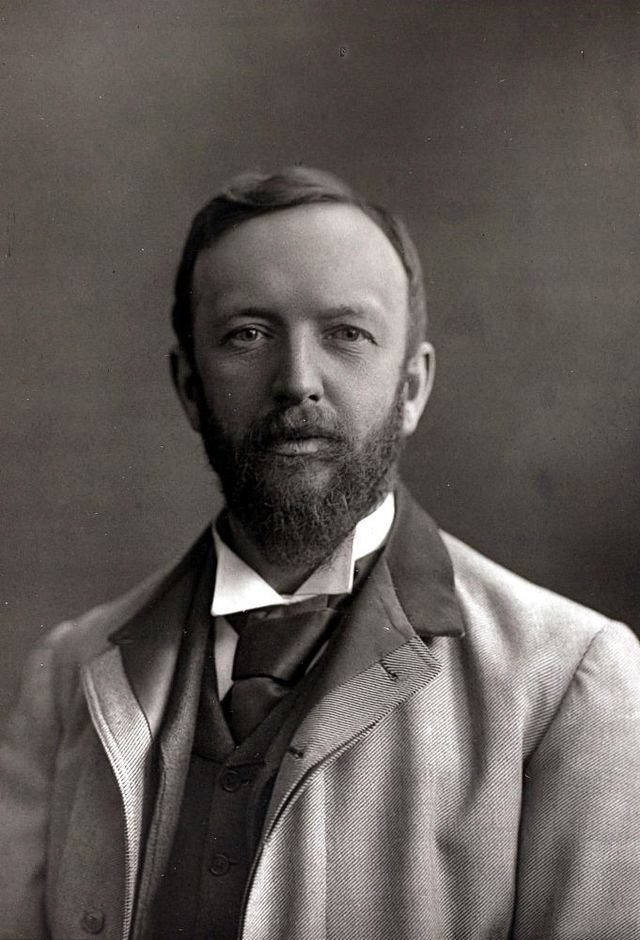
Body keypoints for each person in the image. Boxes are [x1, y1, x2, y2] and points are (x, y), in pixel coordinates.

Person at [1, 166, 639, 940]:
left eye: (346, 334)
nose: (298, 381)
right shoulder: (67, 679)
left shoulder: (570, 682)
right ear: (190, 388)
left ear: (412, 387)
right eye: (248, 334)